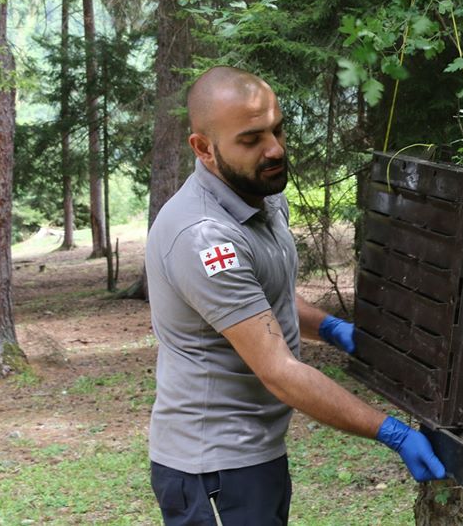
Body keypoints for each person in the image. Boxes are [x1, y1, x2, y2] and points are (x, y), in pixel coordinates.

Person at [146, 66, 445, 525]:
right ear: (204, 148)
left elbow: (264, 299)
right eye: (251, 140)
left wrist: (330, 327)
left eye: (278, 130)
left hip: (255, 453)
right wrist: (393, 433)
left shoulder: (261, 195)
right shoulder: (203, 237)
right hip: (212, 466)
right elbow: (280, 372)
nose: (275, 150)